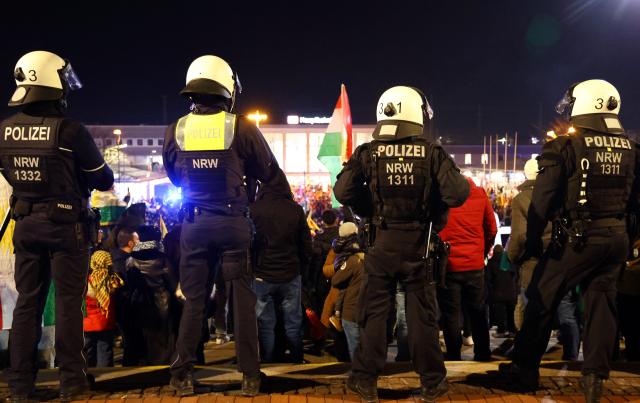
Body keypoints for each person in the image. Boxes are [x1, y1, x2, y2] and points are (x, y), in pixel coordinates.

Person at [499, 79, 640, 403]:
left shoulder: (565, 147)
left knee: (540, 298)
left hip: (577, 240)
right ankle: (594, 378)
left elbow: (542, 202)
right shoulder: (631, 149)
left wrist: (534, 239)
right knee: (601, 306)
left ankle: (525, 372)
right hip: (616, 238)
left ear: (585, 103)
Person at [335, 86, 470, 403]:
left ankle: (366, 381)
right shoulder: (431, 152)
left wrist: (369, 207)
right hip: (418, 245)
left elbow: (343, 192)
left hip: (380, 243)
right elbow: (458, 194)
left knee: (375, 316)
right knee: (422, 318)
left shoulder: (368, 153)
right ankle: (432, 382)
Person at [163, 54, 282, 396]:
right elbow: (268, 172)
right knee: (242, 302)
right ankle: (250, 376)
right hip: (233, 223)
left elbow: (174, 176)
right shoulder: (241, 126)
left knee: (194, 301)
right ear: (227, 88)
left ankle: (182, 374)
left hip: (195, 225)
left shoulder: (178, 129)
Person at [0, 50, 114, 401]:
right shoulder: (70, 130)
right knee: (68, 304)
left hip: (26, 226)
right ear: (53, 83)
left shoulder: (4, 129)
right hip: (66, 227)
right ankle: (71, 382)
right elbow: (104, 180)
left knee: (27, 305)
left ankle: (20, 385)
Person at [250, 170, 312, 363]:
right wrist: (303, 268)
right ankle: (296, 358)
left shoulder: (254, 209)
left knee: (265, 323)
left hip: (262, 274)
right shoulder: (294, 209)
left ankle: (267, 361)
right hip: (290, 272)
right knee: (293, 321)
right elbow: (305, 244)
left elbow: (249, 243)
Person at [438, 177, 497, 361]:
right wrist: (483, 250)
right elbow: (492, 228)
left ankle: (454, 354)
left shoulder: (444, 197)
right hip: (474, 263)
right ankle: (483, 352)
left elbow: (437, 229)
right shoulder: (480, 194)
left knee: (451, 314)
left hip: (450, 265)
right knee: (478, 311)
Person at [330, 222, 365, 360]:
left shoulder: (352, 260)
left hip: (351, 310)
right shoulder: (371, 258)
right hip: (368, 309)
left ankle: (359, 373)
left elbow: (335, 280)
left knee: (355, 348)